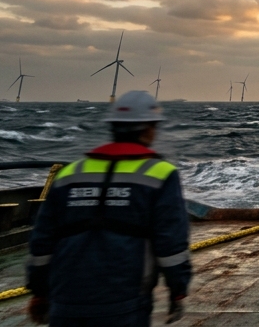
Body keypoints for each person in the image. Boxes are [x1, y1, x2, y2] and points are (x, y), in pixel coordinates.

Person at [26, 90, 192, 325]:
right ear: (148, 128)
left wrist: (39, 291)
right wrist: (178, 289)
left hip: (66, 299)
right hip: (124, 299)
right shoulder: (160, 174)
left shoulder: (69, 174)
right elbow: (171, 243)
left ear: (113, 126)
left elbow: (42, 242)